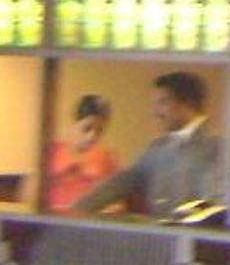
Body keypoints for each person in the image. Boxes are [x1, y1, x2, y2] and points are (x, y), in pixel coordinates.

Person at [68, 72, 222, 218]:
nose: (156, 112)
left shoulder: (216, 147)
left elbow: (212, 206)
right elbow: (121, 182)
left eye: (163, 102)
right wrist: (74, 212)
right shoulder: (157, 147)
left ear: (188, 103)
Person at [40, 94, 118, 214]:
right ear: (73, 124)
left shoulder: (106, 159)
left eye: (99, 131)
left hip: (89, 220)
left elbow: (117, 202)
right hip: (52, 218)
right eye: (87, 128)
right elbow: (30, 195)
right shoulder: (51, 153)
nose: (92, 136)